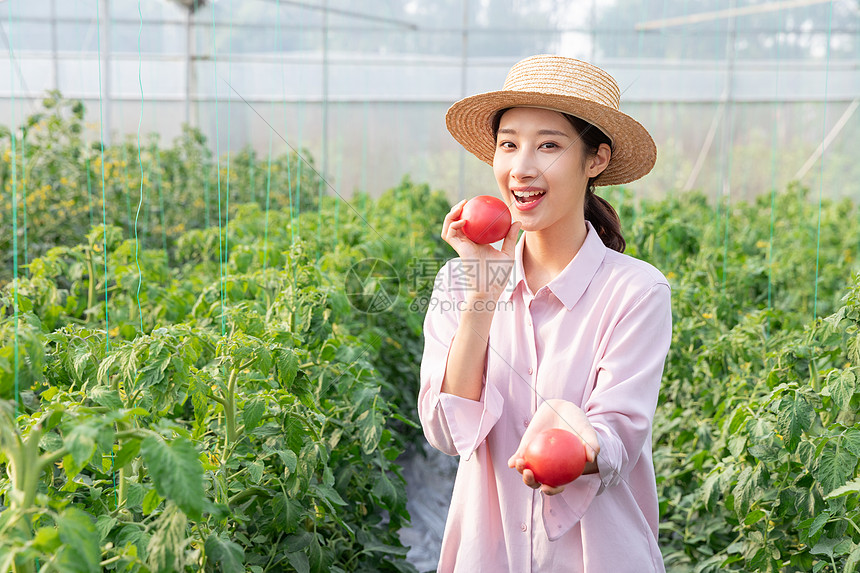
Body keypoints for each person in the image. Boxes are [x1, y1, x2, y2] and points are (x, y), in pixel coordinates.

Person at [417, 55, 672, 572]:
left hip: (598, 557)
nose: (522, 167)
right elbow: (447, 431)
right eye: (508, 144)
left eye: (549, 145)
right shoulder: (459, 281)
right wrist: (484, 292)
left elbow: (618, 438)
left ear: (595, 160)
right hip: (489, 555)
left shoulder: (636, 290)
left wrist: (575, 444)